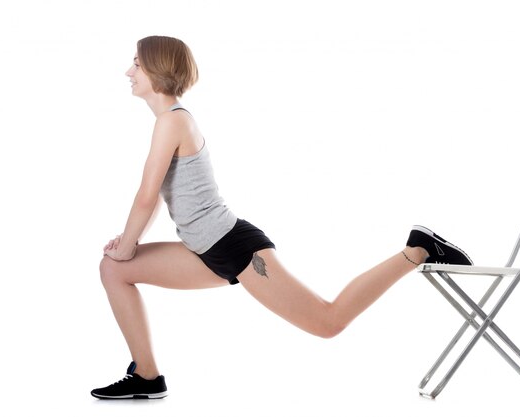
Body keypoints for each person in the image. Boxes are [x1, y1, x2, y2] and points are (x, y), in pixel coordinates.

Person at [90, 35, 473, 400]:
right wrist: (127, 248)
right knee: (114, 269)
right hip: (202, 247)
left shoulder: (173, 121)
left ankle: (419, 248)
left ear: (156, 69)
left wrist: (127, 245)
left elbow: (143, 198)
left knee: (328, 322)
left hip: (232, 245)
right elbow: (155, 194)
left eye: (136, 63)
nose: (129, 71)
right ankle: (146, 376)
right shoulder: (169, 123)